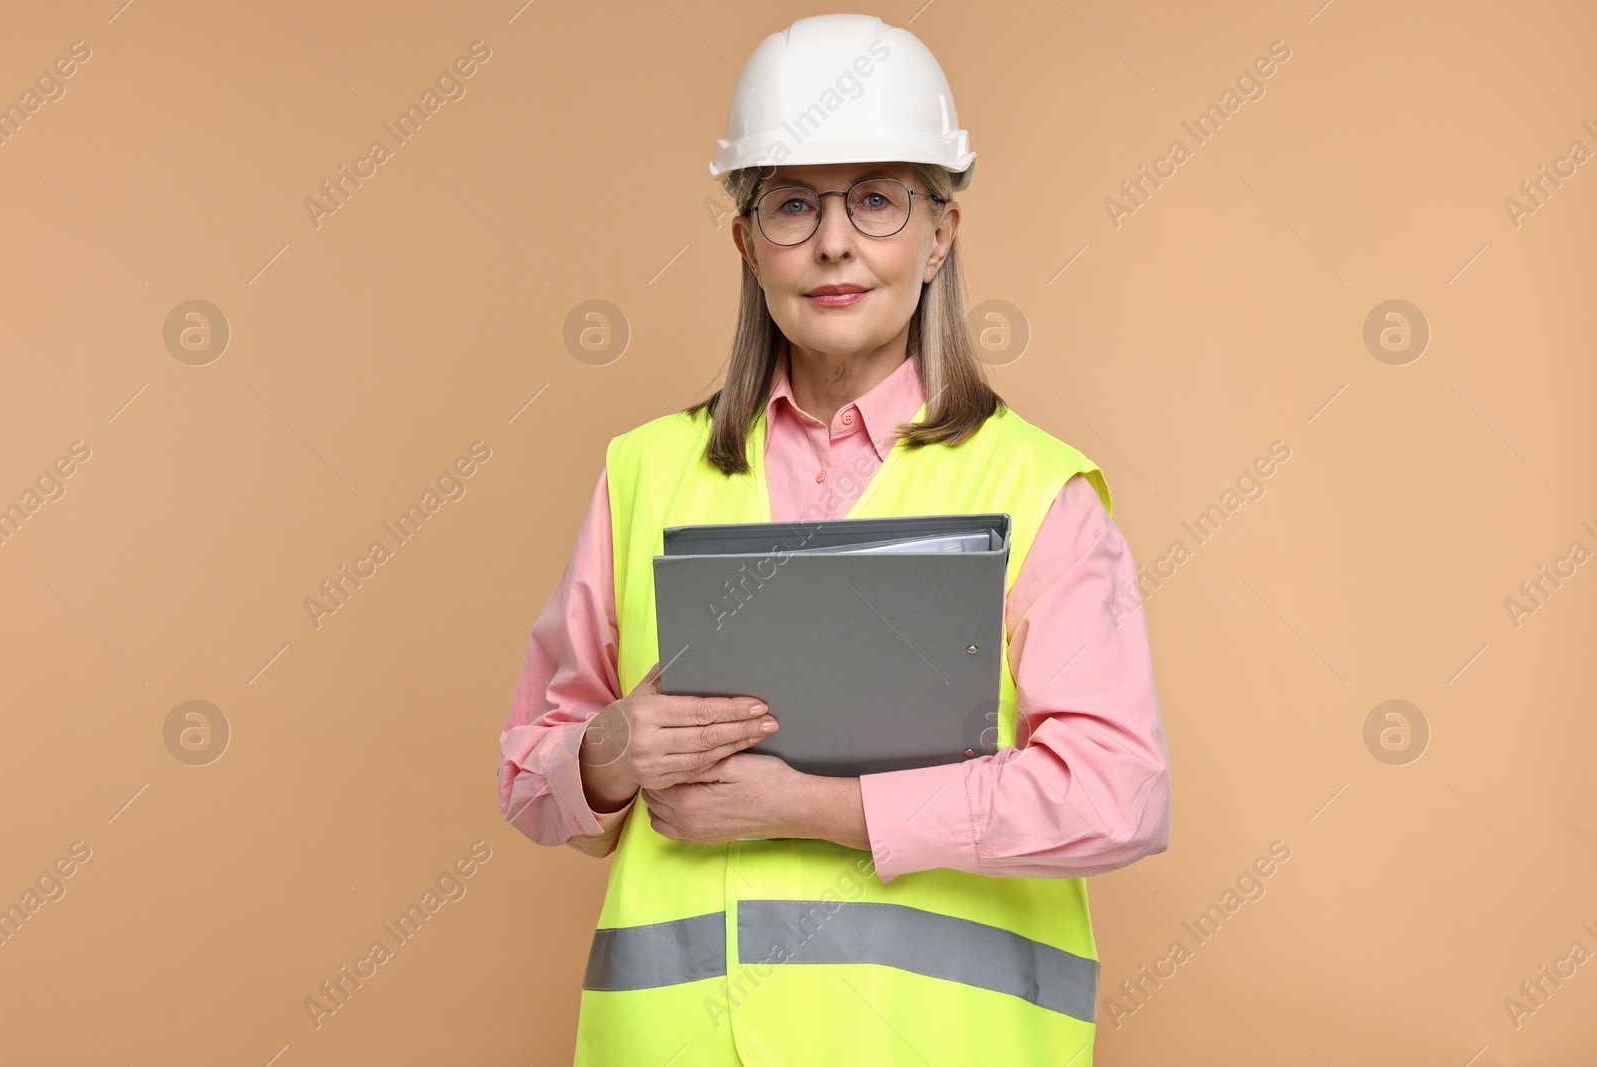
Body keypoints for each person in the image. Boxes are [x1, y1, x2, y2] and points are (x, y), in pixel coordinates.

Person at [497, 13, 1171, 1066]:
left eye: (876, 198)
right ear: (743, 240)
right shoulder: (644, 472)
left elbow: (1116, 793)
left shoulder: (1035, 489)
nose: (833, 242)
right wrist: (610, 747)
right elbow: (532, 782)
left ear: (939, 232)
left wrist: (816, 806)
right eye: (792, 203)